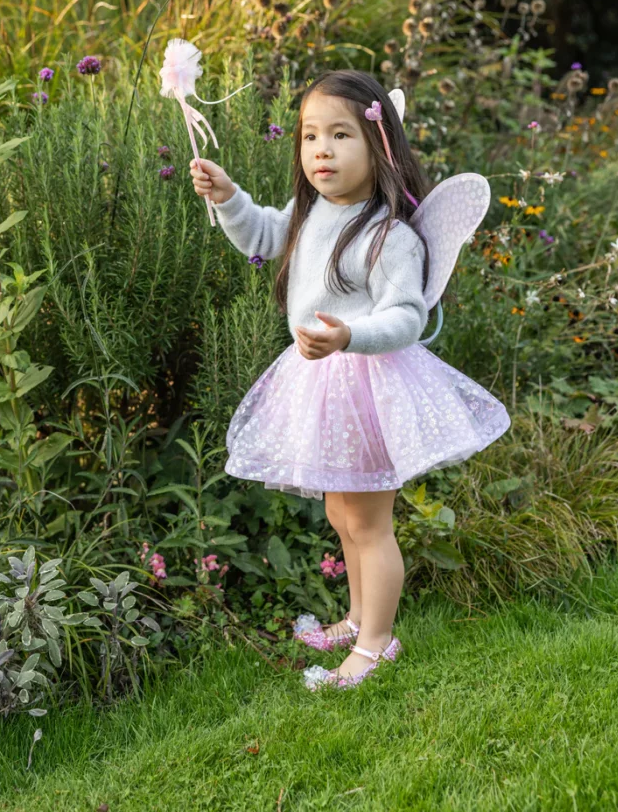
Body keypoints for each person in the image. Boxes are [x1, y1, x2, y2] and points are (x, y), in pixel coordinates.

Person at [189, 69, 511, 690]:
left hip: (369, 387)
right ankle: (359, 615)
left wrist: (349, 336)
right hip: (319, 383)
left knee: (369, 523)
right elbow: (260, 235)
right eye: (311, 137)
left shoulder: (386, 235)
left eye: (340, 135)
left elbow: (407, 316)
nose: (321, 151)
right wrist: (227, 195)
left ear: (379, 147)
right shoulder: (310, 215)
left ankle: (375, 643)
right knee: (343, 512)